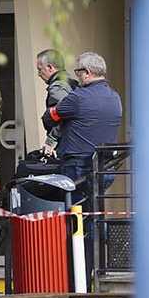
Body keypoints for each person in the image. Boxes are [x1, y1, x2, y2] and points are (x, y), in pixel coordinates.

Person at [50, 52, 123, 276]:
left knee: (75, 219)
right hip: (104, 168)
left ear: (87, 73)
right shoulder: (115, 98)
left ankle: (78, 272)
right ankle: (96, 267)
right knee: (94, 214)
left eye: (78, 72)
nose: (77, 76)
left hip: (77, 167)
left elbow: (51, 116)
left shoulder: (78, 97)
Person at [35, 49, 79, 156]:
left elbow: (64, 114)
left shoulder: (57, 87)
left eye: (40, 70)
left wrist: (50, 141)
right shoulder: (72, 83)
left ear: (50, 67)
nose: (39, 74)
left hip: (65, 143)